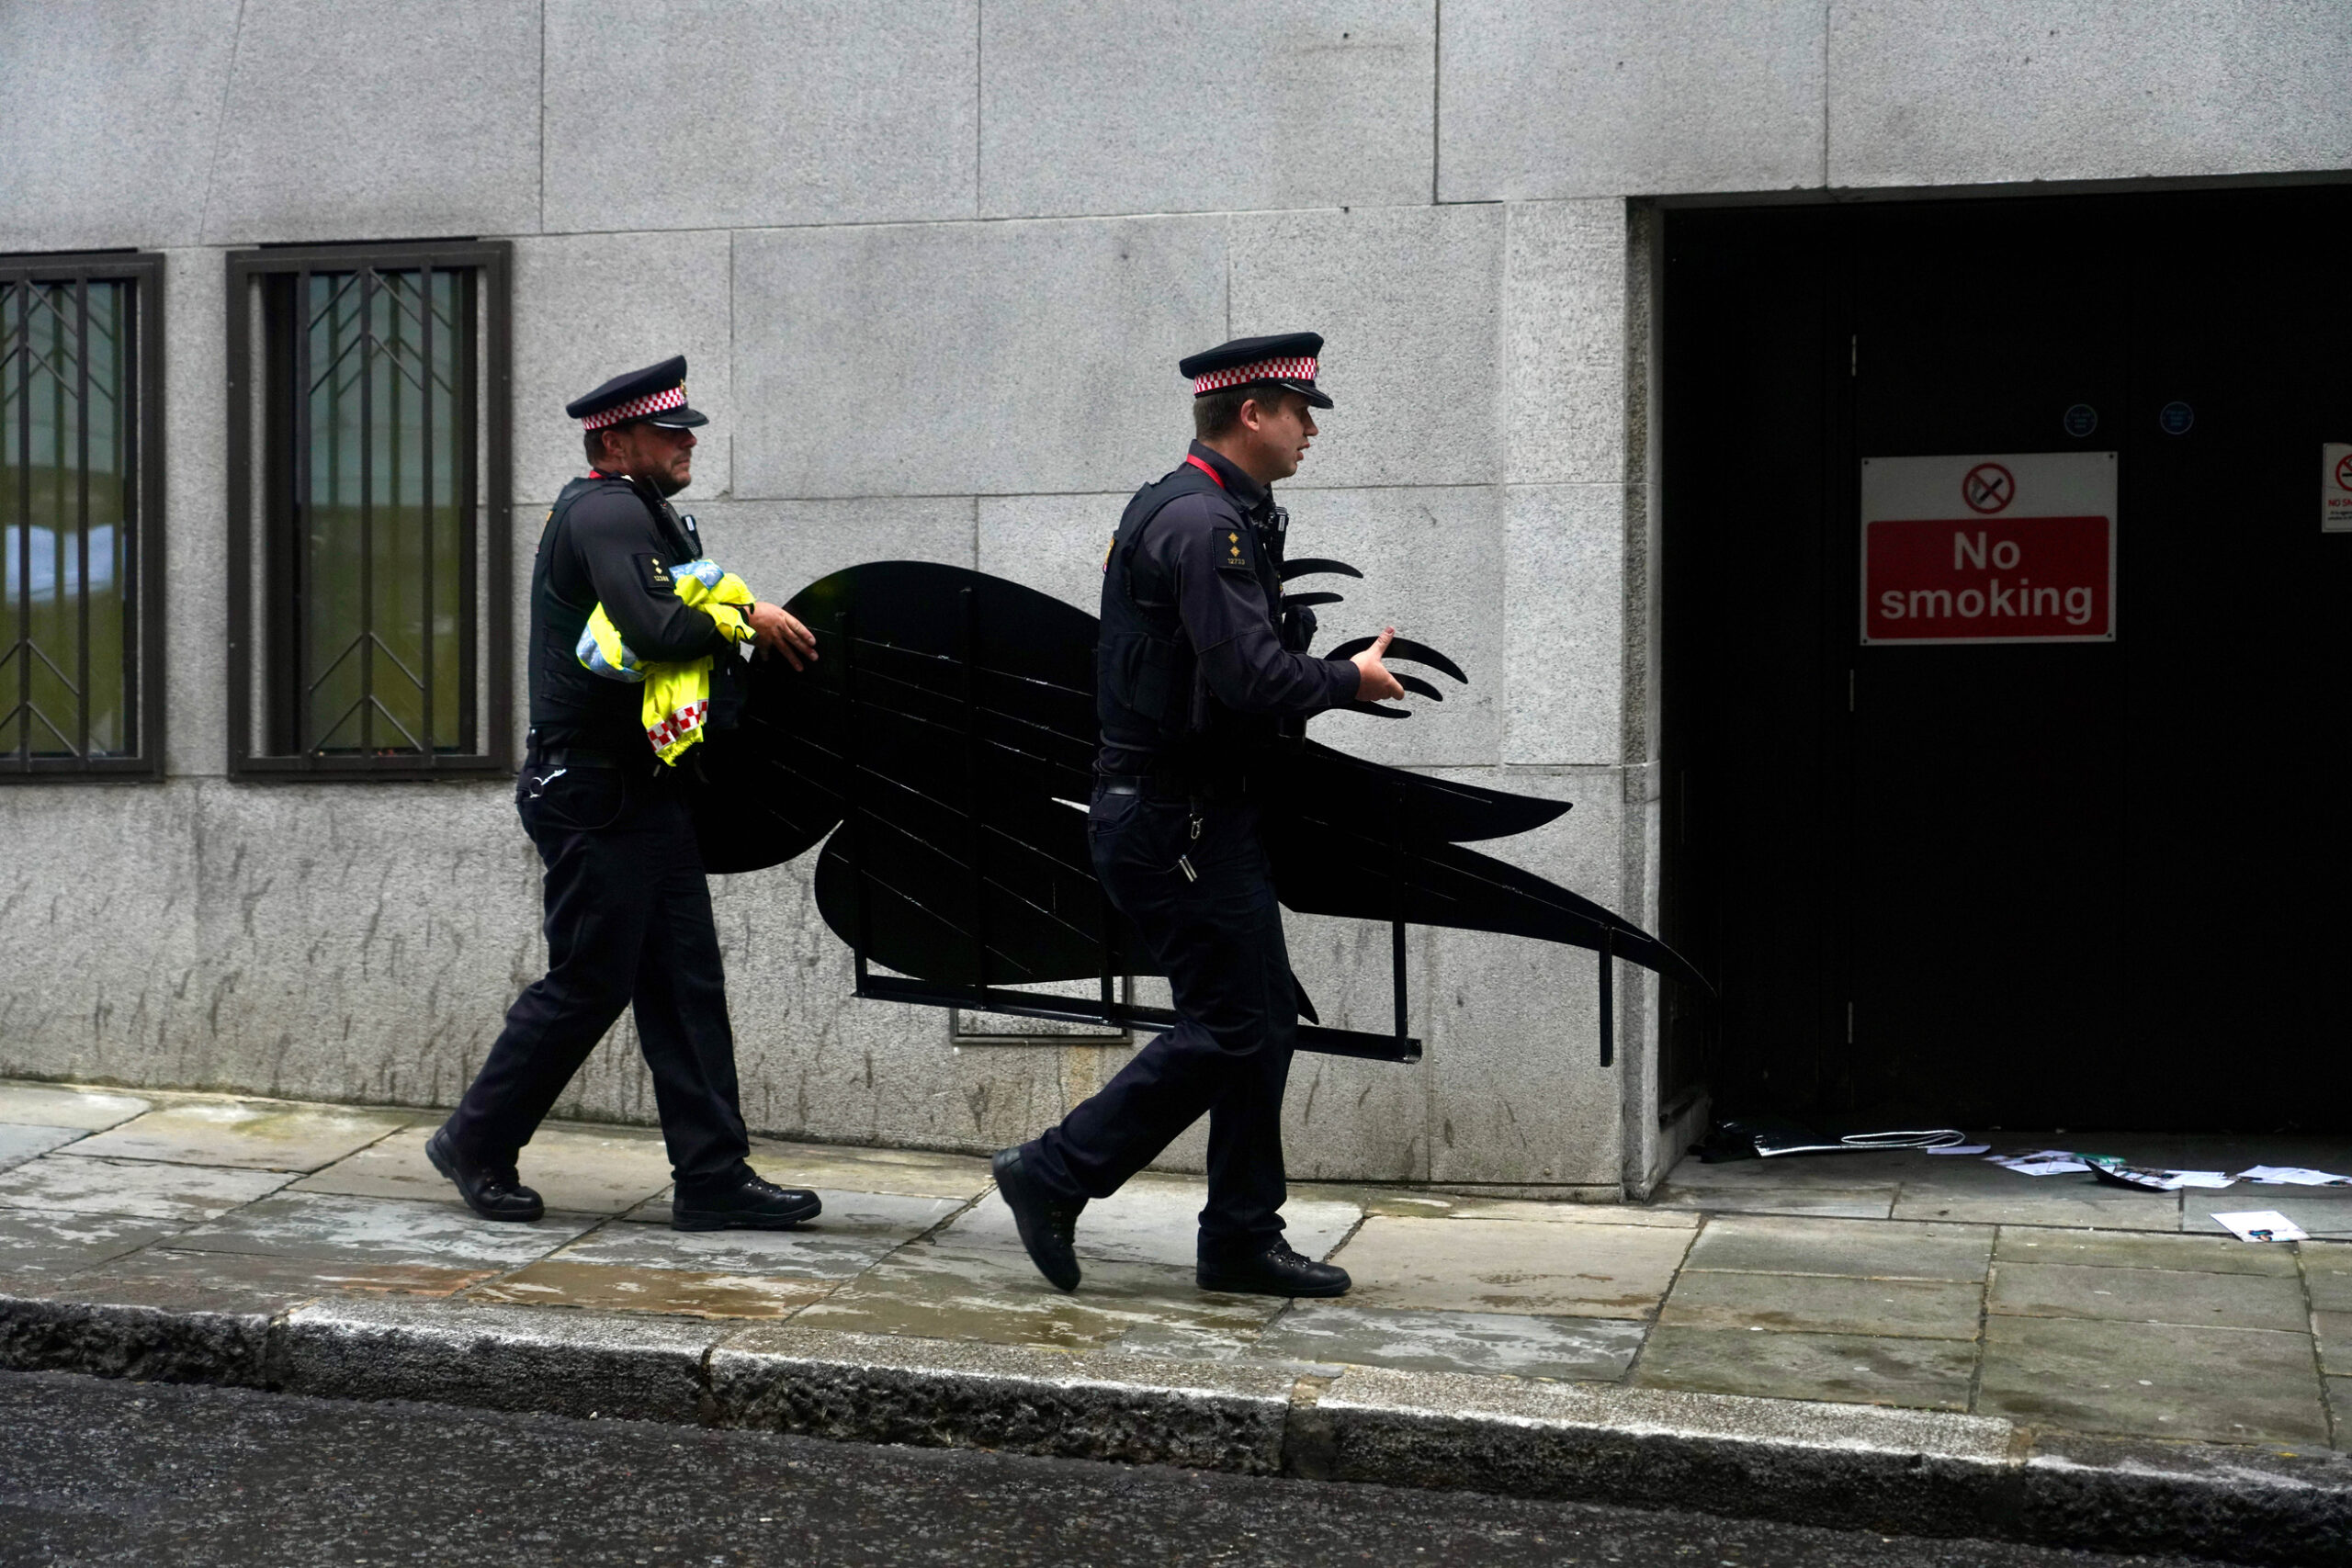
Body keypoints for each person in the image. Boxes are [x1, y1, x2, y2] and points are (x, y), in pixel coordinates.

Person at [991, 333, 1406, 1296]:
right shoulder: (1199, 522)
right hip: (1170, 822)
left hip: (1196, 817)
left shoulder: (1220, 513)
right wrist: (1348, 678)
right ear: (1251, 413)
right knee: (1230, 1024)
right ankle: (1052, 1171)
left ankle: (1238, 1239)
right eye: (1299, 411)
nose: (1310, 430)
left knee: (1259, 1022)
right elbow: (1249, 676)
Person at [428, 356, 826, 1231]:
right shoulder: (606, 507)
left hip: (639, 789)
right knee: (590, 978)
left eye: (687, 431)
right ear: (616, 440)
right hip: (593, 790)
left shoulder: (640, 510)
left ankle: (713, 1174)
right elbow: (652, 627)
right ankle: (476, 1138)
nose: (688, 444)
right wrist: (744, 611)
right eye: (670, 432)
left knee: (684, 981)